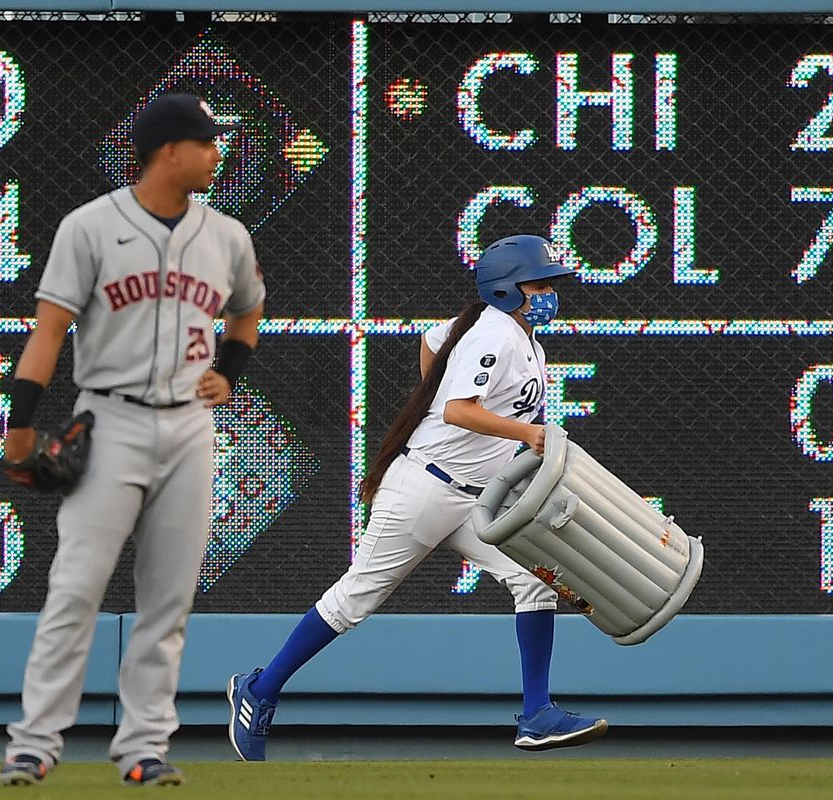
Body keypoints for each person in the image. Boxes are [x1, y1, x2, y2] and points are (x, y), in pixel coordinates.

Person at [226, 234, 606, 761]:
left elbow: (432, 341)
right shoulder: (495, 335)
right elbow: (456, 410)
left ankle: (537, 714)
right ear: (505, 289)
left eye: (548, 283)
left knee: (530, 578)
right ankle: (260, 688)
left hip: (474, 500)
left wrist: (443, 394)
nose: (548, 292)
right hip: (425, 490)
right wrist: (521, 433)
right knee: (355, 600)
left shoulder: (505, 333)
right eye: (538, 283)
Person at [0, 93, 266, 786]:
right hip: (110, 417)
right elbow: (49, 331)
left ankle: (144, 747)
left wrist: (229, 376)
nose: (217, 153)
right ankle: (34, 743)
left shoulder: (227, 235)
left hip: (189, 426)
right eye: (207, 143)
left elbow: (248, 311)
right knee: (76, 587)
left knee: (168, 598)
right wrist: (20, 423)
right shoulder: (88, 227)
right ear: (168, 150)